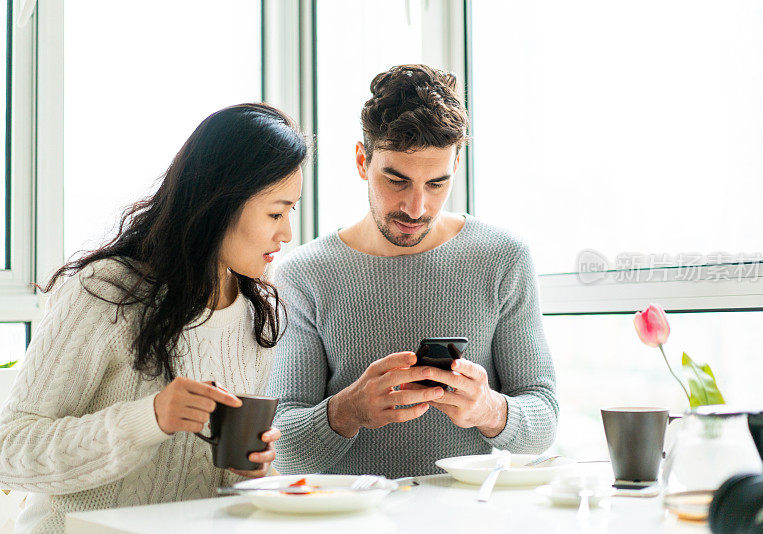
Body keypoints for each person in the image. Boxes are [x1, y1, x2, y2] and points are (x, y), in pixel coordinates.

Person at [0, 103, 306, 532]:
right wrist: (151, 419)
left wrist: (256, 474)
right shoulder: (110, 291)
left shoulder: (256, 306)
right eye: (276, 212)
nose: (286, 233)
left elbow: (205, 482)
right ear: (220, 202)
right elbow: (9, 452)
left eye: (291, 211)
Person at [266, 65, 558, 479]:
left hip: (471, 517)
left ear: (457, 164)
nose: (416, 208)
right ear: (362, 161)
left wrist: (488, 410)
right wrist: (347, 412)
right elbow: (282, 449)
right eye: (397, 180)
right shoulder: (303, 276)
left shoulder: (502, 258)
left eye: (437, 184)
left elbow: (544, 420)